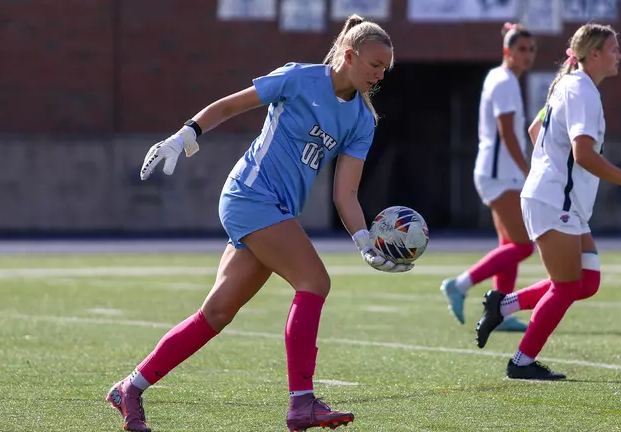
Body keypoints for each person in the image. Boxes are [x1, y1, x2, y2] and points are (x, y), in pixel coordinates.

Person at [104, 14, 411, 432]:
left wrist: (364, 242)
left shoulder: (361, 120)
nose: (379, 75)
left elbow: (346, 194)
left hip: (276, 210)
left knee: (216, 313)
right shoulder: (299, 78)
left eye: (384, 69)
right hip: (249, 195)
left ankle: (130, 388)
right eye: (374, 64)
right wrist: (185, 135)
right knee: (315, 282)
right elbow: (231, 105)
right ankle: (302, 402)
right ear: (348, 54)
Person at [474, 23, 621, 379]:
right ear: (593, 54)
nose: (619, 55)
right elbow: (584, 154)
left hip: (562, 200)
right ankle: (521, 362)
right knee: (566, 286)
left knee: (586, 282)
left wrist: (551, 166)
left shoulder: (569, 85)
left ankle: (503, 304)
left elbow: (534, 131)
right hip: (554, 201)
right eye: (613, 49)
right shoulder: (582, 91)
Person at [441, 23, 536, 331]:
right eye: (521, 49)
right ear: (506, 51)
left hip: (499, 172)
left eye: (531, 50)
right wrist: (528, 170)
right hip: (500, 173)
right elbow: (506, 133)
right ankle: (460, 284)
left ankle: (502, 311)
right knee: (523, 246)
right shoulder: (505, 80)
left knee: (508, 245)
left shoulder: (504, 79)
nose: (527, 55)